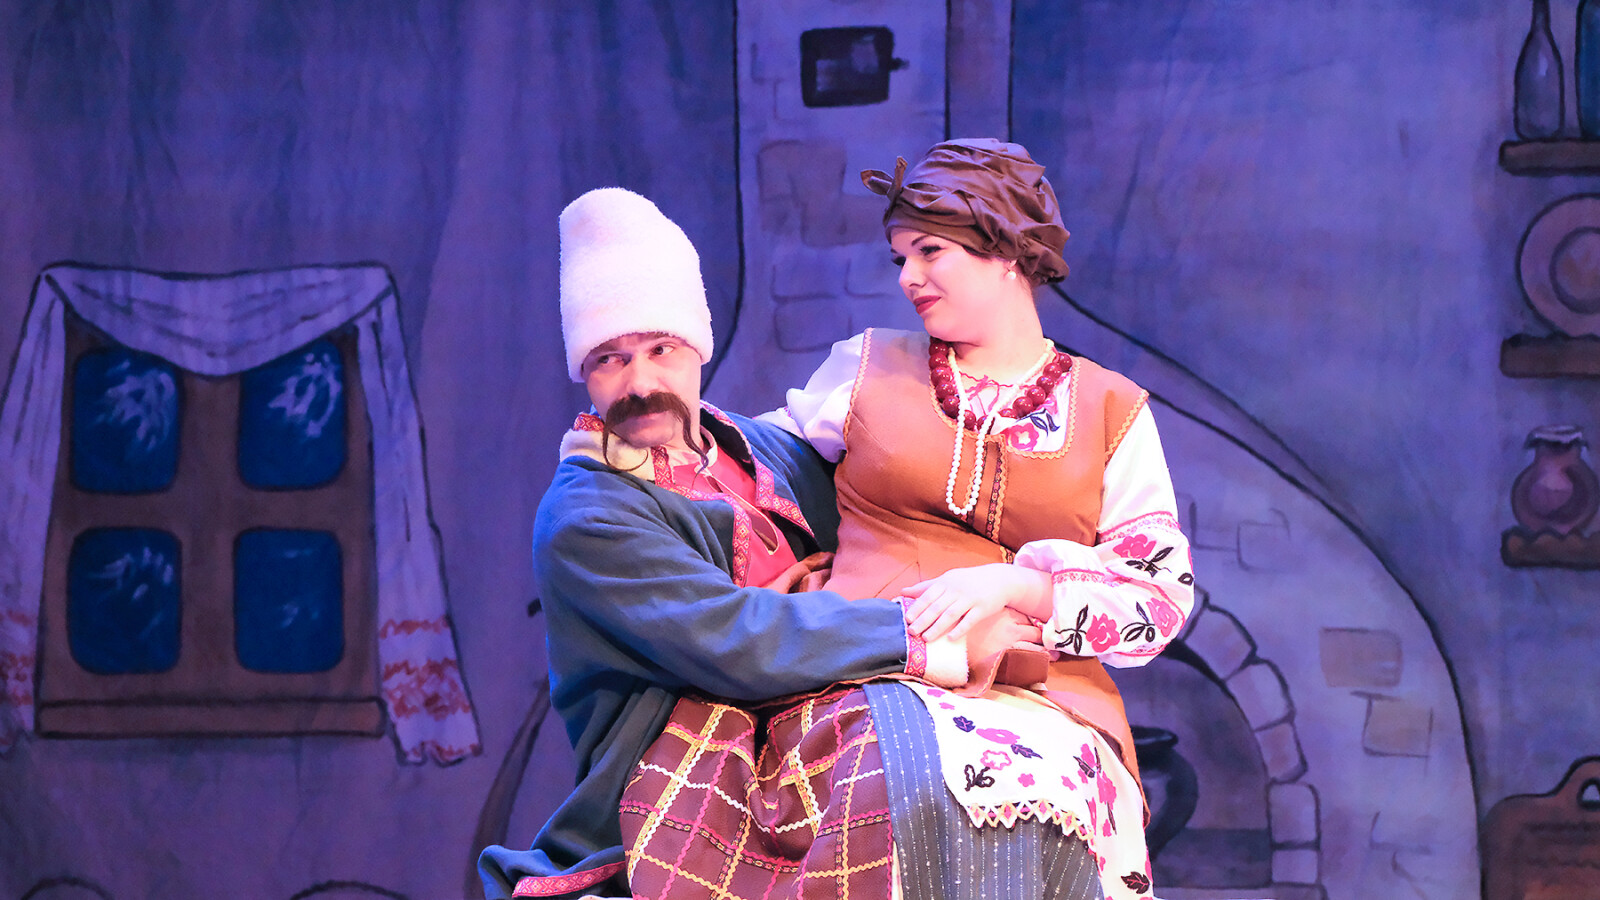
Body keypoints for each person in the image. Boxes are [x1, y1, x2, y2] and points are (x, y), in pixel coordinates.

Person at [476, 187, 1047, 900]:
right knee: (895, 774)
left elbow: (892, 508)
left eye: (660, 349)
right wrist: (938, 638)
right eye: (610, 360)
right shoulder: (588, 516)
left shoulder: (764, 449)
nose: (640, 382)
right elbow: (734, 638)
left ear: (698, 348)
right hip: (683, 763)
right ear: (583, 373)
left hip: (821, 707)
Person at [761, 138, 1196, 900]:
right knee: (892, 776)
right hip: (872, 661)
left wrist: (1016, 586)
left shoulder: (1111, 412)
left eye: (930, 250)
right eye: (900, 257)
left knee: (1048, 801)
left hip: (1042, 694)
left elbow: (1156, 600)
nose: (907, 278)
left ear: (1006, 251)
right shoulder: (866, 368)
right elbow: (751, 463)